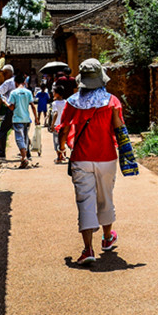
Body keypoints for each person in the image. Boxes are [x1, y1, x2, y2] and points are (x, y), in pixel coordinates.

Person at [58, 58, 139, 265]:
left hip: (81, 159)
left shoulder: (72, 102)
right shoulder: (112, 102)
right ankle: (107, 237)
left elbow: (64, 127)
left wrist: (61, 147)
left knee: (85, 202)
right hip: (107, 158)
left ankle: (87, 249)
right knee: (106, 198)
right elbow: (119, 128)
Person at [7, 73, 36, 169]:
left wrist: (5, 103)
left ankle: (24, 157)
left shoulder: (14, 93)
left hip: (17, 119)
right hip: (26, 119)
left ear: (15, 83)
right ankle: (26, 156)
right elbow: (32, 105)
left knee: (19, 138)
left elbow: (12, 107)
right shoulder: (28, 92)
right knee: (25, 138)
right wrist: (36, 118)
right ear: (24, 82)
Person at [0, 64, 15, 159]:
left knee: (3, 130)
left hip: (10, 109)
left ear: (7, 73)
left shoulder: (8, 82)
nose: (3, 76)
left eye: (4, 73)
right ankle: (27, 152)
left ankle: (1, 152)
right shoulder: (17, 81)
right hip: (20, 109)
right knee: (21, 129)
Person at [50, 75, 75, 163]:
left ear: (57, 94)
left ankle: (59, 157)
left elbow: (55, 113)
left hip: (57, 124)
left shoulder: (54, 103)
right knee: (64, 140)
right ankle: (63, 155)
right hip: (65, 124)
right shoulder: (66, 102)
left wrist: (52, 125)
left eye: (54, 92)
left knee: (57, 141)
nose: (52, 93)